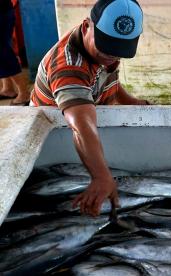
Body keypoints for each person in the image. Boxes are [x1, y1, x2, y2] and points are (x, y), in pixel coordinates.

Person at [30, 0, 149, 216]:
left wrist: (130, 101)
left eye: (118, 50)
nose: (110, 56)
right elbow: (81, 125)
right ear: (87, 26)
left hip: (87, 111)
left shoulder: (107, 48)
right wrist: (101, 176)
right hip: (54, 129)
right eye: (105, 47)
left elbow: (108, 76)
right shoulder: (68, 68)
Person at [0, 0, 29, 105]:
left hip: (2, 11)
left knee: (3, 53)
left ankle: (24, 93)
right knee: (4, 49)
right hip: (5, 9)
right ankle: (8, 89)